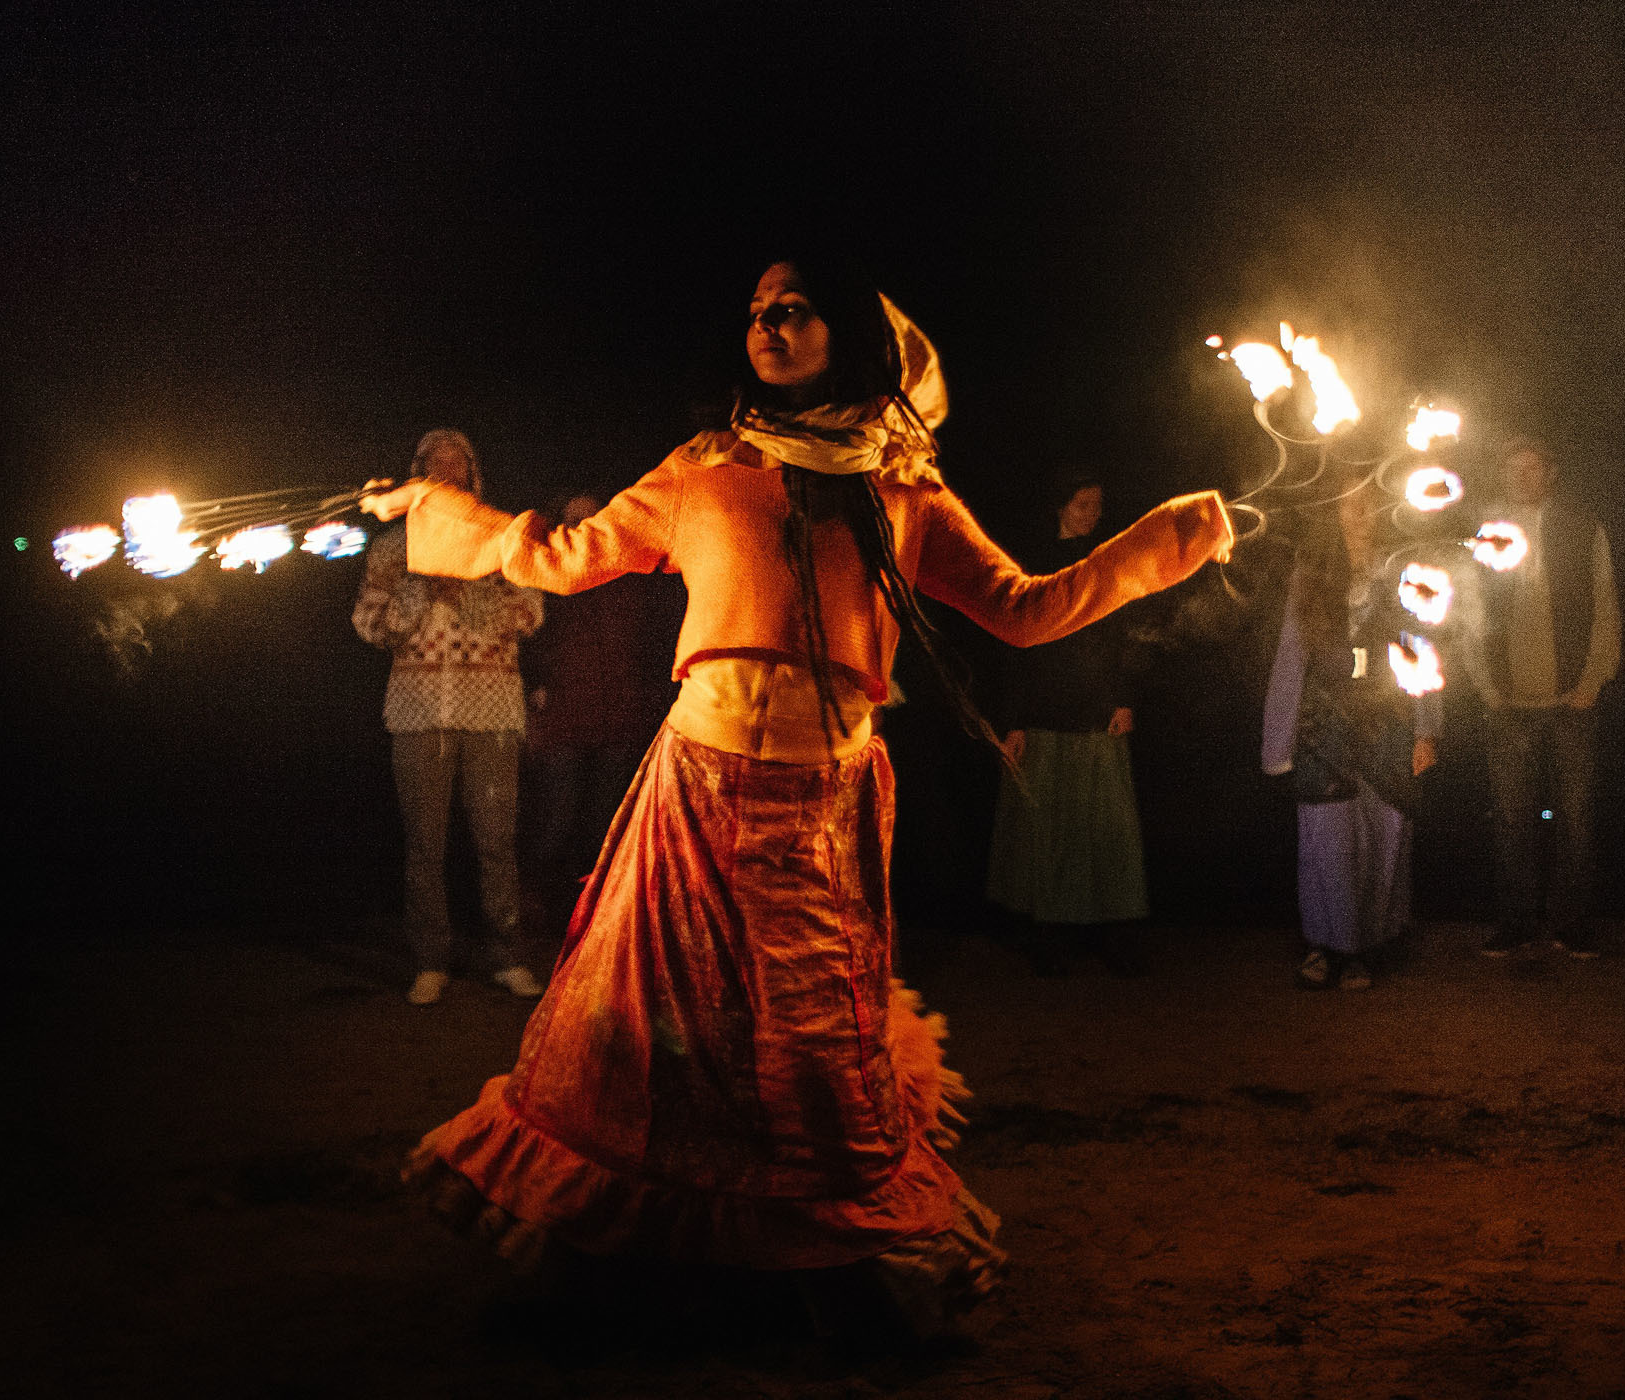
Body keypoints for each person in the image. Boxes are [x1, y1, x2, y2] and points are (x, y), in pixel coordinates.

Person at [364, 255, 1233, 1336]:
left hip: (818, 802)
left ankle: (844, 1255)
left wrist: (1163, 544)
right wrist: (441, 511)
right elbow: (563, 554)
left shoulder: (901, 489)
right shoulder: (707, 466)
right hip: (697, 785)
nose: (767, 327)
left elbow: (1023, 606)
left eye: (794, 310)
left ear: (849, 333)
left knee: (812, 1050)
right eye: (756, 313)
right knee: (669, 1034)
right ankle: (654, 1253)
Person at [352, 427, 546, 1007]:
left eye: (456, 466)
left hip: (490, 708)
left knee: (496, 841)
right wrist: (416, 598)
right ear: (419, 476)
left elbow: (532, 608)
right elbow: (365, 620)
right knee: (424, 844)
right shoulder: (392, 549)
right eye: (434, 467)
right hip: (417, 711)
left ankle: (507, 955)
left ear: (472, 475)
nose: (446, 476)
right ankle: (430, 960)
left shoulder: (497, 536)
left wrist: (465, 589)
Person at [1261, 495, 1441, 990]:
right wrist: (1278, 746)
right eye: (1351, 508)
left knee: (1384, 839)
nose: (1361, 517)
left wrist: (1426, 728)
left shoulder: (1402, 573)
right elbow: (1291, 658)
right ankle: (1325, 945)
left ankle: (1368, 947)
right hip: (1325, 730)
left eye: (1369, 507)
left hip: (1387, 724)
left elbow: (1421, 649)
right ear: (1333, 516)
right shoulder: (1311, 577)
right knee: (1327, 842)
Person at [1454, 433, 1619, 959]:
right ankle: (1517, 923)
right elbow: (1468, 612)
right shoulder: (1484, 533)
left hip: (1572, 698)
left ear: (1551, 474)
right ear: (1504, 475)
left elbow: (1605, 602)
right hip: (1508, 704)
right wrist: (1485, 686)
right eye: (1514, 468)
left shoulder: (1581, 526)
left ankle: (1572, 925)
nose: (1524, 477)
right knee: (1511, 820)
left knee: (1575, 818)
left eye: (1534, 468)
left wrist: (1593, 680)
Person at [987, 471, 1153, 976]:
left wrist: (1123, 699)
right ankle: (1049, 934)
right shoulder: (1030, 564)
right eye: (1082, 505)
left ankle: (1113, 933)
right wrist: (1013, 722)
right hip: (1043, 714)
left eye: (1097, 506)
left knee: (1106, 827)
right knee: (1049, 827)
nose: (1092, 515)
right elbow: (1016, 644)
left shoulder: (1106, 562)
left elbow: (1128, 635)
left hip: (1095, 710)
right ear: (1060, 506)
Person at [521, 492, 677, 910]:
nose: (582, 528)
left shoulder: (628, 576)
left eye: (591, 519)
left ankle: (594, 910)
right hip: (563, 716)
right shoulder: (551, 579)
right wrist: (534, 702)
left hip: (618, 715)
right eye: (573, 520)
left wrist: (645, 704)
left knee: (605, 824)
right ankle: (538, 905)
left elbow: (649, 642)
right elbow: (532, 645)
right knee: (557, 817)